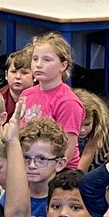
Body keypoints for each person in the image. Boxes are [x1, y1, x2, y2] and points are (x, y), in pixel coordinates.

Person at [17, 34, 85, 169]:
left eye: (47, 60)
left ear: (63, 65)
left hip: (58, 169)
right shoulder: (26, 94)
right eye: (35, 59)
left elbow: (68, 150)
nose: (38, 65)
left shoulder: (68, 102)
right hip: (29, 162)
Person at [75, 89, 109, 172]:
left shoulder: (107, 129)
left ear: (95, 119)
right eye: (77, 125)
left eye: (87, 124)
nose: (82, 130)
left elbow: (88, 153)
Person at [0, 48, 32, 118]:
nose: (18, 77)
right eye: (13, 72)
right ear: (6, 75)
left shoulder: (41, 97)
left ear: (34, 76)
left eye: (24, 73)